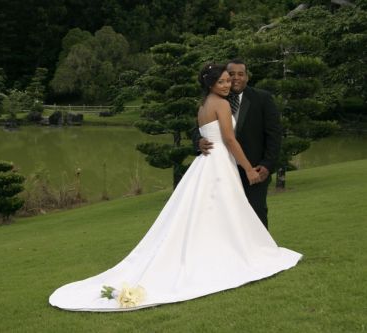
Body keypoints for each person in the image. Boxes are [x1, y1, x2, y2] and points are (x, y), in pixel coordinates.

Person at [49, 64, 301, 312]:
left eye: (230, 80)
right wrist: (247, 167)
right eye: (223, 81)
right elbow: (228, 138)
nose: (228, 84)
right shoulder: (222, 103)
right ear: (210, 84)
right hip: (221, 163)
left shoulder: (203, 105)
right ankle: (230, 256)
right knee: (223, 210)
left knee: (215, 212)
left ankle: (225, 252)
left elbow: (228, 132)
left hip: (208, 163)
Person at [193, 59, 281, 229]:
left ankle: (260, 250)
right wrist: (199, 141)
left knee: (256, 212)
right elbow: (199, 129)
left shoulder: (262, 98)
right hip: (222, 168)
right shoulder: (215, 101)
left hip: (254, 168)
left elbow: (274, 135)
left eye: (240, 74)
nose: (235, 79)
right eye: (230, 75)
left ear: (247, 77)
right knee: (224, 215)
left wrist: (267, 165)